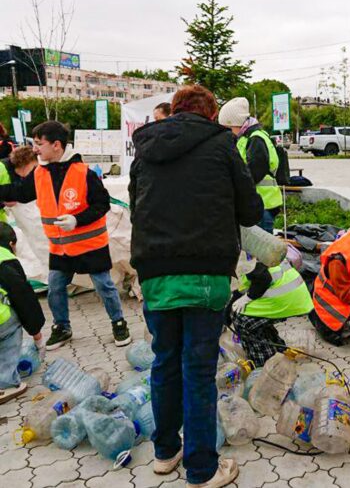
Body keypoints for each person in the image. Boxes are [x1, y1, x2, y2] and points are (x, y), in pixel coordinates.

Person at [130, 84, 263, 488]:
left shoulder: (144, 150)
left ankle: (165, 453)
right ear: (210, 115)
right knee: (198, 369)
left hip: (154, 273)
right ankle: (203, 469)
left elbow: (137, 204)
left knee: (164, 361)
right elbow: (251, 208)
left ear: (173, 112)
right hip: (205, 273)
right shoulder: (221, 145)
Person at [0, 121, 131, 350]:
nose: (35, 149)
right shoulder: (40, 173)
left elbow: (102, 204)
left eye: (39, 144)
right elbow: (20, 193)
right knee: (55, 287)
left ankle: (118, 323)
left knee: (104, 286)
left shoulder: (83, 173)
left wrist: (77, 220)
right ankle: (62, 327)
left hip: (90, 244)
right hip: (60, 247)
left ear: (57, 145)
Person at [230, 254, 314, 367]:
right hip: (293, 295)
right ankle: (278, 350)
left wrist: (248, 298)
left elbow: (264, 278)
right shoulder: (248, 246)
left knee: (243, 320)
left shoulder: (241, 256)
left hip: (285, 296)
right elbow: (238, 293)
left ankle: (264, 364)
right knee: (251, 317)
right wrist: (226, 317)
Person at [218, 97, 283, 234]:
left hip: (263, 204)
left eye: (228, 128)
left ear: (236, 123)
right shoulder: (246, 138)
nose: (227, 132)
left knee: (263, 251)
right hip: (258, 203)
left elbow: (252, 173)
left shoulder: (256, 139)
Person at [0, 223, 46, 405]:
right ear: (11, 243)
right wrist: (37, 334)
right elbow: (24, 299)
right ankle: (6, 383)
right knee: (9, 326)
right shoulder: (6, 261)